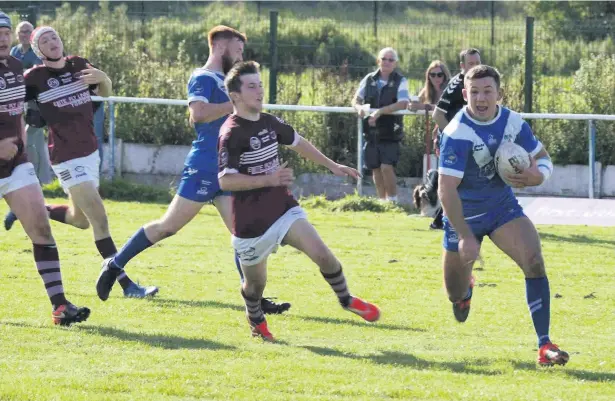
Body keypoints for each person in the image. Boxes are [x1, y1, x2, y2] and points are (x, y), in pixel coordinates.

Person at [95, 26, 290, 314]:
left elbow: (197, 119)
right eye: (238, 51)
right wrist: (233, 103)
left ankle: (255, 300)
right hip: (204, 167)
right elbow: (198, 114)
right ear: (222, 47)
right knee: (168, 226)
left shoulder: (226, 82)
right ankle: (115, 263)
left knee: (243, 233)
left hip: (227, 169)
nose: (240, 58)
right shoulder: (202, 77)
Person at [218, 61, 380, 341]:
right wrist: (269, 180)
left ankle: (346, 300)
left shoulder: (270, 122)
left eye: (260, 84)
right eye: (252, 86)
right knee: (255, 287)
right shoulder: (231, 133)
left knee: (323, 255)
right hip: (250, 224)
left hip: (283, 210)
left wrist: (332, 166)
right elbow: (225, 181)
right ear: (235, 96)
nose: (259, 91)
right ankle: (254, 316)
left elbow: (298, 142)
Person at [437, 64, 569, 366]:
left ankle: (544, 345)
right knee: (454, 294)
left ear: (499, 93)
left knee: (534, 262)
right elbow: (446, 191)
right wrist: (466, 237)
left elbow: (542, 158)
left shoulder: (513, 122)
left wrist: (539, 177)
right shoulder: (457, 132)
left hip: (501, 208)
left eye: (487, 91)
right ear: (464, 93)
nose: (481, 98)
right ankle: (465, 289)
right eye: (474, 92)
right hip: (463, 216)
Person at [20, 26, 157, 299]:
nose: (52, 42)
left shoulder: (79, 64)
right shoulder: (33, 78)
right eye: (44, 41)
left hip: (90, 152)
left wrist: (104, 77)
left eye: (55, 37)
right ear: (39, 51)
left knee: (80, 220)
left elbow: (105, 93)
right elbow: (11, 106)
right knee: (99, 219)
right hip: (66, 157)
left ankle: (34, 209)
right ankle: (127, 286)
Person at [0, 13, 89, 325]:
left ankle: (60, 307)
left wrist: (20, 142)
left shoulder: (13, 67)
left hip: (14, 166)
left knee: (41, 229)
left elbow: (16, 112)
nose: (3, 37)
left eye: (6, 31)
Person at [4, 21, 51, 230]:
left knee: (32, 144)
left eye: (27, 32)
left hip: (33, 110)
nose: (23, 35)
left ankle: (32, 190)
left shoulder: (28, 57)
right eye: (21, 31)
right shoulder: (15, 53)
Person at [351, 47, 410, 202]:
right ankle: (382, 201)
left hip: (391, 131)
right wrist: (359, 109)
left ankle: (393, 200)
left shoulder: (401, 81)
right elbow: (356, 100)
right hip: (371, 131)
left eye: (391, 60)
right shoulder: (369, 79)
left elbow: (403, 103)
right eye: (384, 59)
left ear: (395, 64)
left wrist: (380, 112)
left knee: (386, 167)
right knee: (375, 168)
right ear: (378, 61)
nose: (387, 62)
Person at [409, 60, 451, 229]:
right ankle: (437, 210)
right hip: (439, 134)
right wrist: (415, 105)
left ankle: (441, 212)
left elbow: (444, 109)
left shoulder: (450, 88)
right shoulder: (428, 90)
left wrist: (428, 106)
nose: (436, 78)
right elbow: (415, 104)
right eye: (432, 75)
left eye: (439, 74)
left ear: (445, 75)